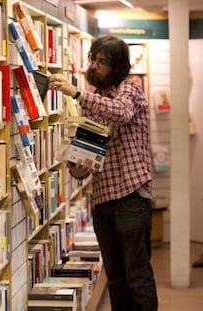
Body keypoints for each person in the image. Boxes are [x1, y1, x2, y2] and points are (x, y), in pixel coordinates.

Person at [49, 35, 158, 311]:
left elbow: (120, 113)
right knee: (116, 279)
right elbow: (83, 164)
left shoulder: (129, 90)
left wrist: (75, 92)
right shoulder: (92, 101)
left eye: (102, 62)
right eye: (93, 59)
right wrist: (75, 165)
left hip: (132, 197)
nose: (94, 66)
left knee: (137, 276)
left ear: (117, 67)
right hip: (103, 200)